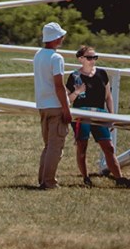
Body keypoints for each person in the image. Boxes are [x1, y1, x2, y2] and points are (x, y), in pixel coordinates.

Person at [64, 45, 129, 187]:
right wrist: (77, 92)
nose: (92, 60)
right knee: (82, 146)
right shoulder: (74, 76)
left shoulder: (102, 74)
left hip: (100, 113)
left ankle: (119, 178)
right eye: (89, 57)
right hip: (81, 114)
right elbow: (67, 100)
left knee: (108, 146)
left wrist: (112, 116)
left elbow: (108, 97)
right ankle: (86, 177)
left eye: (94, 57)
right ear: (80, 59)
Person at [33, 22, 74, 190]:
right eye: (61, 36)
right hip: (55, 106)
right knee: (55, 147)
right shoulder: (56, 58)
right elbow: (59, 85)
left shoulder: (38, 55)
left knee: (48, 146)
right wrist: (66, 109)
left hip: (43, 105)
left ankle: (43, 179)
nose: (62, 38)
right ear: (56, 39)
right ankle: (49, 182)